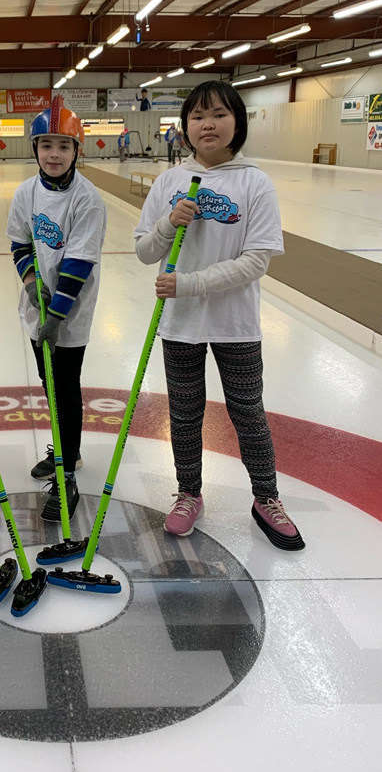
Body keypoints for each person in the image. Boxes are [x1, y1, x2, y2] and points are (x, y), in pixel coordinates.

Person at [133, 80, 304, 551]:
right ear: (185, 126)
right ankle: (189, 493)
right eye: (198, 116)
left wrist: (189, 284)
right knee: (184, 415)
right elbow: (146, 250)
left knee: (248, 412)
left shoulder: (254, 182)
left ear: (237, 122)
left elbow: (257, 262)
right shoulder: (170, 182)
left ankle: (266, 498)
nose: (208, 124)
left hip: (236, 324)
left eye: (219, 114)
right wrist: (170, 223)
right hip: (181, 326)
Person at [7, 98, 107, 521]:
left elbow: (79, 261)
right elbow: (20, 242)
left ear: (76, 151)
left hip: (70, 309)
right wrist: (31, 285)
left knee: (65, 387)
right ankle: (69, 451)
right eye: (46, 145)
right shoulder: (25, 192)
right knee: (51, 388)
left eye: (63, 146)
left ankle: (66, 472)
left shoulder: (88, 199)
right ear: (35, 149)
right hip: (39, 308)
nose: (53, 154)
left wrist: (57, 315)